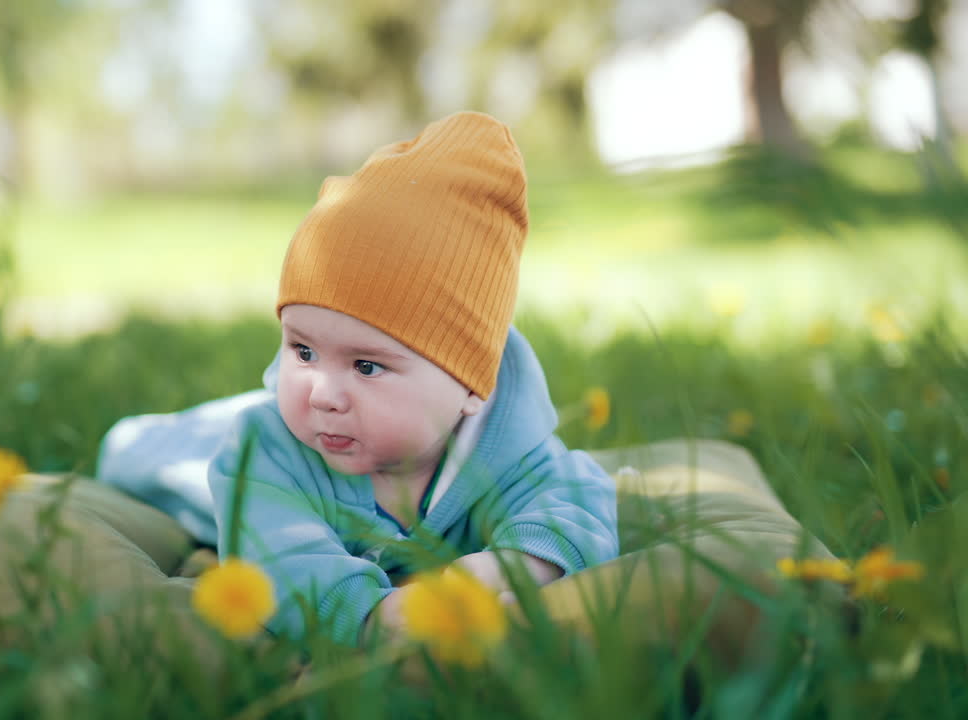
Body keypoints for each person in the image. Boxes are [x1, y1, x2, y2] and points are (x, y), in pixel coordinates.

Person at [98, 111, 618, 646]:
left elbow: (579, 501)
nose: (322, 393)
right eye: (303, 349)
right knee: (147, 455)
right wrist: (373, 615)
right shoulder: (265, 450)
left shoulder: (507, 450)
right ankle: (146, 436)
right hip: (211, 459)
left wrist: (510, 567)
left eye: (366, 365)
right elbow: (280, 562)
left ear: (469, 386)